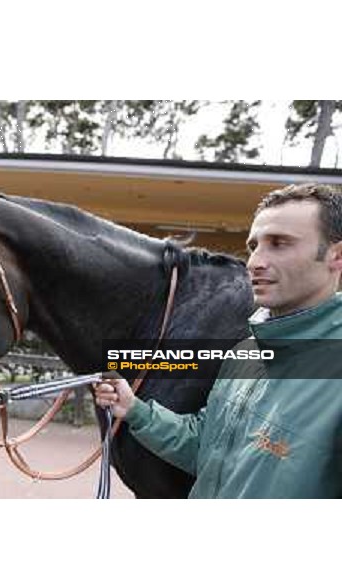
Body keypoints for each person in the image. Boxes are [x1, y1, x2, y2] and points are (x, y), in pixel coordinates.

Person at [96, 183, 342, 498]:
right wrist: (134, 409)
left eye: (279, 243)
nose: (254, 262)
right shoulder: (245, 353)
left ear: (336, 256)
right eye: (254, 246)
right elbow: (205, 447)